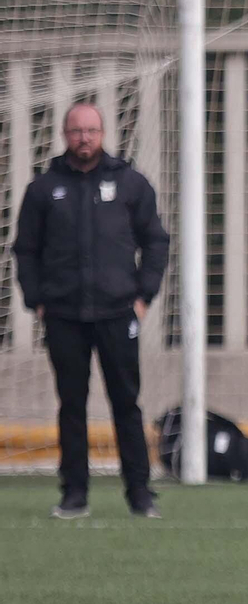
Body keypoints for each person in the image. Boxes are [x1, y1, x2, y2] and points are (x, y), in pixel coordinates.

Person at [12, 101, 169, 519]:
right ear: (65, 135)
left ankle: (140, 494)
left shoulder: (131, 183)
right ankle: (74, 495)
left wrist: (143, 297)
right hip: (63, 315)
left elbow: (155, 241)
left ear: (103, 134)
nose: (85, 138)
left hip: (119, 314)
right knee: (72, 405)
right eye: (77, 131)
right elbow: (25, 250)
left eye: (92, 131)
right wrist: (37, 300)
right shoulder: (44, 189)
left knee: (126, 403)